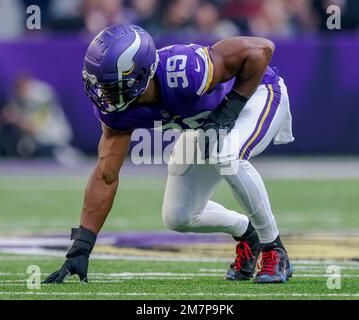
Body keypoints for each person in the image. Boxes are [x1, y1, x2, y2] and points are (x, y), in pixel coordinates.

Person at [43, 24, 294, 285]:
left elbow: (262, 48)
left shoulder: (183, 70)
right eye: (100, 86)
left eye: (111, 86)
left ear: (140, 75)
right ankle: (248, 234)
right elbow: (106, 176)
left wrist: (230, 109)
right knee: (179, 216)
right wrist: (81, 247)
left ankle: (274, 250)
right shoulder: (118, 110)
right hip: (208, 125)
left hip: (258, 96)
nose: (103, 95)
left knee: (227, 155)